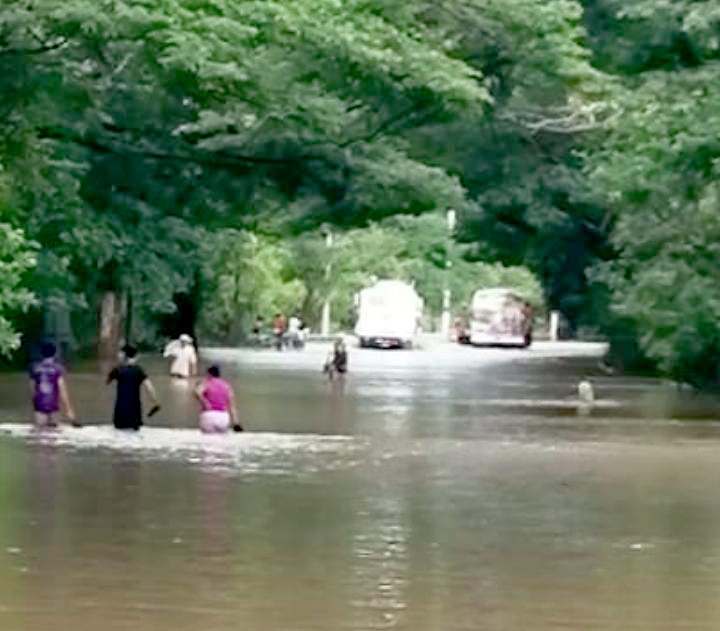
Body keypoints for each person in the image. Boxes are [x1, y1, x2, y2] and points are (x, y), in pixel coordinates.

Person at [107, 344, 160, 430]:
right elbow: (149, 388)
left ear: (124, 356)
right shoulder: (139, 371)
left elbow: (108, 381)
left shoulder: (118, 370)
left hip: (120, 416)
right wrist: (155, 402)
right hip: (135, 416)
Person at [29, 342, 78, 429]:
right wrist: (68, 410)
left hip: (40, 406)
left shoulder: (35, 368)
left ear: (41, 353)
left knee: (39, 431)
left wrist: (34, 407)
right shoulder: (58, 368)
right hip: (53, 405)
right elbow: (62, 391)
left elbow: (33, 391)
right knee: (54, 432)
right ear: (54, 353)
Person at [194, 365, 242, 433]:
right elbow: (232, 406)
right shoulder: (227, 386)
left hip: (209, 415)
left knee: (207, 438)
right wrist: (235, 422)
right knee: (221, 438)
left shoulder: (206, 383)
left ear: (209, 374)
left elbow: (197, 392)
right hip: (223, 417)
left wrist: (204, 402)